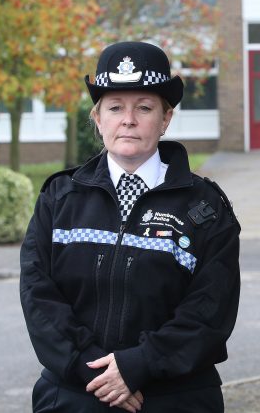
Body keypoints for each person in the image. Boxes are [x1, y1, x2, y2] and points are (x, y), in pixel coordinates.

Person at [20, 41, 241, 413]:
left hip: (176, 399)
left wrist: (138, 365)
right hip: (74, 396)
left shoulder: (205, 208)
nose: (129, 119)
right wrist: (92, 369)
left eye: (144, 107)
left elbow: (210, 308)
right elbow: (38, 295)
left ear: (166, 118)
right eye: (115, 107)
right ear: (97, 118)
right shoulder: (59, 199)